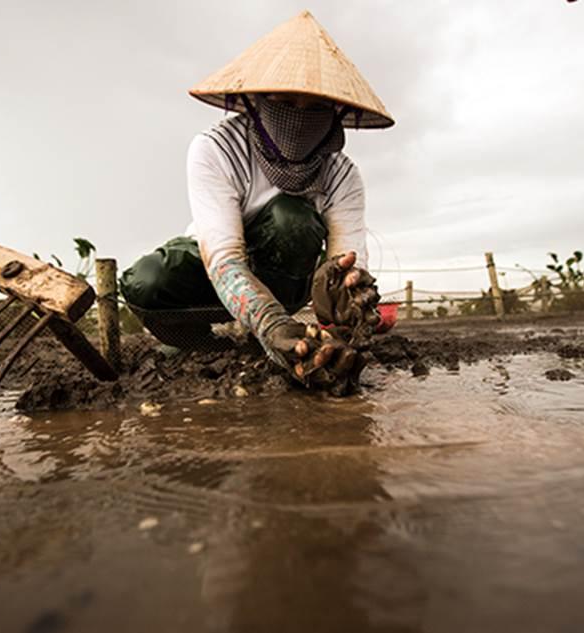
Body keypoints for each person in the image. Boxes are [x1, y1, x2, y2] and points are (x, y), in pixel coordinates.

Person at [120, 11, 394, 388]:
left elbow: (345, 261)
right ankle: (202, 342)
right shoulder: (215, 148)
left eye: (314, 107)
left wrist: (344, 295)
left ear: (336, 114)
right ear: (255, 101)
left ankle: (281, 338)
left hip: (288, 278)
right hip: (213, 271)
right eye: (284, 100)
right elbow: (224, 258)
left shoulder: (342, 173)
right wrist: (271, 323)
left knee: (291, 218)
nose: (298, 117)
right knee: (147, 280)